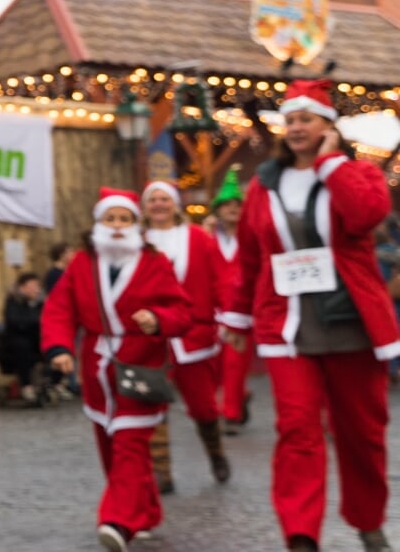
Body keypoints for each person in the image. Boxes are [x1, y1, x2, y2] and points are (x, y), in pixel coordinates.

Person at [218, 79, 400, 552]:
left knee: (361, 434)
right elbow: (250, 259)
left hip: (353, 325)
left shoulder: (356, 174)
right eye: (290, 120)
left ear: (329, 126)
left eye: (306, 119)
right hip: (288, 324)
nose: (296, 128)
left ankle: (367, 520)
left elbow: (364, 215)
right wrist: (237, 319)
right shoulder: (264, 186)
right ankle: (301, 535)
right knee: (297, 430)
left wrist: (331, 164)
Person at [42, 188, 192, 552]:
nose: (118, 226)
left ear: (137, 225)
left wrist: (157, 320)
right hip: (96, 370)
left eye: (125, 219)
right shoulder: (81, 265)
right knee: (111, 447)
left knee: (129, 445)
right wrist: (60, 347)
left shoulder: (155, 263)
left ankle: (117, 521)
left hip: (140, 366)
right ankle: (147, 511)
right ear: (98, 224)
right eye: (111, 219)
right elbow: (59, 308)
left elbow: (183, 311)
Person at [138, 180, 230, 492]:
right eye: (153, 200)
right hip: (149, 336)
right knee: (153, 401)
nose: (159, 205)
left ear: (175, 204)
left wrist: (226, 315)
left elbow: (219, 277)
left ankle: (215, 452)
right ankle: (161, 471)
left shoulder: (197, 239)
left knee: (203, 405)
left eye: (165, 199)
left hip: (192, 332)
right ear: (145, 206)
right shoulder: (137, 240)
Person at [209, 168, 256, 435]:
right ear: (218, 210)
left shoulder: (251, 238)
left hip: (242, 311)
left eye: (237, 205)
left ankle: (230, 414)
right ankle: (238, 397)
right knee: (215, 365)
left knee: (235, 362)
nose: (233, 210)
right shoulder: (208, 239)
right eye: (227, 205)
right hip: (214, 311)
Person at [0, 271, 48, 405]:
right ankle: (26, 386)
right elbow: (15, 322)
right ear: (22, 287)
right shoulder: (14, 301)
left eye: (37, 286)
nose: (36, 289)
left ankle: (51, 382)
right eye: (32, 286)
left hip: (36, 339)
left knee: (54, 347)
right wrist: (34, 321)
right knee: (22, 348)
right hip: (16, 342)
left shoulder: (40, 302)